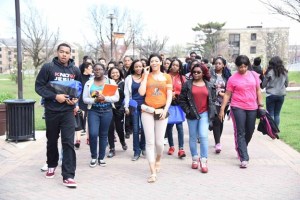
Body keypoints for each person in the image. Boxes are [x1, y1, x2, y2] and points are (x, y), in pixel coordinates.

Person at [35, 43, 81, 188]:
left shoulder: (75, 69)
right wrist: (55, 97)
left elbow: (77, 89)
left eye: (67, 52)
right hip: (52, 111)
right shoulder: (48, 67)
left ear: (70, 55)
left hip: (67, 112)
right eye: (62, 52)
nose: (64, 55)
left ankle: (68, 175)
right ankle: (52, 164)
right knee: (52, 140)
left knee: (68, 142)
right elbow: (39, 87)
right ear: (57, 52)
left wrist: (75, 99)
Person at [219, 55, 264, 168]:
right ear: (237, 66)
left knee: (250, 130)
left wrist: (261, 105)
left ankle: (241, 147)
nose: (242, 69)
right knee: (240, 132)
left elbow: (258, 90)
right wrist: (222, 109)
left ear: (248, 65)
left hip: (252, 107)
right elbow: (228, 94)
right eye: (240, 67)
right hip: (237, 107)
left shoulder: (254, 75)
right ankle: (244, 158)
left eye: (244, 66)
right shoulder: (233, 78)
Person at [138, 53, 172, 183]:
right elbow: (141, 92)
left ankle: (158, 158)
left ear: (161, 62)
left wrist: (165, 110)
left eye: (156, 61)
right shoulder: (146, 76)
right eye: (152, 61)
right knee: (150, 142)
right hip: (147, 110)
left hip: (162, 110)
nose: (154, 63)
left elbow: (169, 95)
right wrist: (145, 76)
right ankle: (152, 172)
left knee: (159, 142)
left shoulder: (167, 77)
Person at [178, 63, 216, 173]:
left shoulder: (209, 85)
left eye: (198, 72)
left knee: (203, 136)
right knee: (193, 137)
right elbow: (182, 100)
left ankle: (203, 160)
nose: (196, 74)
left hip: (204, 114)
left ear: (203, 73)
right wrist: (188, 111)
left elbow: (212, 100)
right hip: (192, 115)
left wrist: (212, 112)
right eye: (194, 72)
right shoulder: (187, 84)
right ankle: (195, 158)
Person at [83, 63, 119, 168]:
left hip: (107, 111)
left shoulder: (110, 82)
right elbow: (85, 99)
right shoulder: (89, 83)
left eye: (100, 69)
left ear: (104, 70)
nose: (98, 71)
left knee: (103, 135)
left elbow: (116, 97)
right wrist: (95, 100)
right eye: (96, 70)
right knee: (93, 134)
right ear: (93, 71)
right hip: (93, 111)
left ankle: (101, 158)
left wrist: (105, 99)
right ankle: (94, 156)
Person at [124, 60, 146, 161]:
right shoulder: (129, 78)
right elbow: (127, 94)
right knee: (136, 129)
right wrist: (126, 106)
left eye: (140, 66)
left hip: (145, 105)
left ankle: (143, 147)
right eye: (136, 66)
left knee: (145, 129)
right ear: (133, 67)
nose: (138, 68)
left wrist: (146, 74)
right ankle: (136, 151)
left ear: (143, 67)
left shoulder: (146, 77)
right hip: (134, 105)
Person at [165, 58, 186, 158]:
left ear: (180, 67)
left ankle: (181, 149)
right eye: (173, 64)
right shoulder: (165, 76)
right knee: (169, 126)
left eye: (177, 65)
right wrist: (169, 94)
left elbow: (185, 91)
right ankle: (171, 146)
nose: (175, 67)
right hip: (168, 104)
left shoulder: (182, 78)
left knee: (179, 126)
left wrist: (176, 93)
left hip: (178, 105)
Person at [210, 57, 231, 153]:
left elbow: (230, 89)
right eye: (216, 63)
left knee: (221, 121)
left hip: (225, 101)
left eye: (219, 63)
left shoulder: (227, 76)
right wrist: (217, 92)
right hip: (214, 102)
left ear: (223, 65)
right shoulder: (210, 74)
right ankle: (218, 142)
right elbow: (209, 87)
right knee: (216, 121)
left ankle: (217, 140)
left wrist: (223, 94)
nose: (217, 65)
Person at [261, 56, 288, 127]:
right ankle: (276, 130)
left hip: (271, 95)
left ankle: (271, 129)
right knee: (277, 114)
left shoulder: (269, 72)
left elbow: (263, 85)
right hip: (281, 95)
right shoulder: (284, 72)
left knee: (270, 113)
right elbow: (286, 84)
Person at [107, 67, 128, 158]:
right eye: (113, 73)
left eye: (117, 72)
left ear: (120, 73)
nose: (115, 74)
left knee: (119, 128)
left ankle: (122, 141)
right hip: (109, 108)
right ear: (109, 74)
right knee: (110, 128)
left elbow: (126, 96)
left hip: (119, 109)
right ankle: (112, 148)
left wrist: (124, 107)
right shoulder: (107, 83)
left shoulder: (123, 83)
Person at [77, 60, 93, 148]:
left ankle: (88, 138)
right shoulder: (79, 77)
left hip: (88, 100)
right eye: (90, 68)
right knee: (79, 120)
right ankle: (78, 140)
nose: (92, 70)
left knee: (88, 120)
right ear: (85, 69)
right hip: (80, 100)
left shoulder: (92, 78)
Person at [122, 56, 134, 139]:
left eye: (128, 60)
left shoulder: (134, 70)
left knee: (133, 113)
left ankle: (133, 128)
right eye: (125, 60)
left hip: (133, 94)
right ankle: (127, 131)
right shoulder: (121, 71)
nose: (127, 62)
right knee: (127, 113)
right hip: (124, 93)